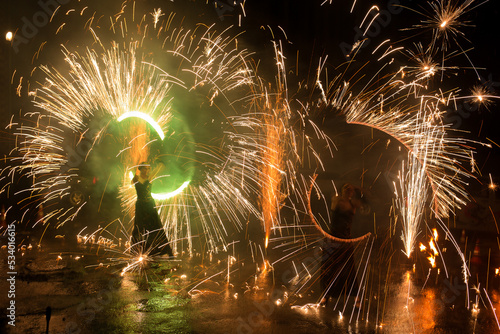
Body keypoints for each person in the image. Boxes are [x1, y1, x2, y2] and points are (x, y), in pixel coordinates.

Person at [320, 183, 363, 307]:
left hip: (345, 241)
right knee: (329, 267)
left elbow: (366, 199)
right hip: (333, 240)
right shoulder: (337, 200)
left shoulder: (353, 204)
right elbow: (335, 200)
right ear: (342, 191)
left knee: (349, 269)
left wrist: (359, 188)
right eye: (346, 188)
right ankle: (326, 296)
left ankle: (356, 299)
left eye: (351, 189)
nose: (349, 191)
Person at [131, 162, 173, 257]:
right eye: (145, 168)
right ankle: (139, 250)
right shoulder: (136, 178)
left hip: (149, 204)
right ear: (140, 169)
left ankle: (159, 251)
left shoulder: (149, 177)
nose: (147, 170)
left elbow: (156, 171)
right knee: (140, 227)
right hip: (140, 205)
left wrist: (160, 166)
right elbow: (132, 182)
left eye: (148, 169)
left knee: (155, 226)